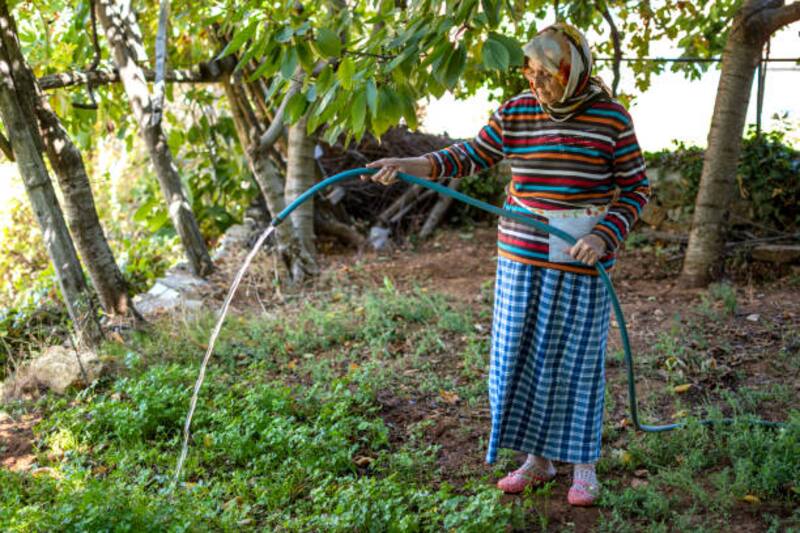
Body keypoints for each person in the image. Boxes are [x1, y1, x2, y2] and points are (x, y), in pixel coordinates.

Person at [365, 23, 651, 507]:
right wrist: (407, 165)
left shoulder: (610, 120)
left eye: (546, 74)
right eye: (530, 71)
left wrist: (605, 235)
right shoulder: (517, 111)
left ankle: (583, 465)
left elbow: (637, 188)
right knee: (520, 360)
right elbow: (467, 156)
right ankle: (538, 461)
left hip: (579, 258)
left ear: (573, 71)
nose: (535, 83)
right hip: (520, 258)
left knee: (575, 362)